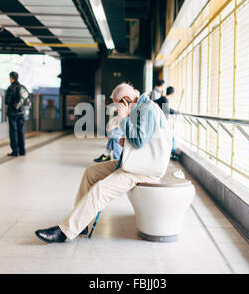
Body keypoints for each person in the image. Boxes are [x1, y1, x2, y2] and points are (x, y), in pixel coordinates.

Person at [35, 83, 168, 243]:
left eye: (116, 105)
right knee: (91, 172)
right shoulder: (139, 108)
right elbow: (142, 139)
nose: (115, 109)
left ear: (125, 100)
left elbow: (139, 141)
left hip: (144, 170)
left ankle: (66, 231)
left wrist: (124, 118)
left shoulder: (147, 109)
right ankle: (81, 224)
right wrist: (125, 140)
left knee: (100, 190)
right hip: (133, 164)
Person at [154, 86, 179, 160]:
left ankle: (172, 152)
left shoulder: (163, 99)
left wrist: (174, 111)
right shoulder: (165, 99)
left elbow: (166, 109)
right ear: (173, 94)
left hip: (158, 121)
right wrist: (175, 112)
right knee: (171, 135)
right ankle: (173, 152)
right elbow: (166, 110)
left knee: (170, 135)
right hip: (160, 122)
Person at [4, 71, 26, 157]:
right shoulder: (22, 87)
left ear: (11, 78)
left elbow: (7, 101)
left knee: (13, 132)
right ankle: (22, 150)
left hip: (13, 113)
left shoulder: (11, 88)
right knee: (21, 131)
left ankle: (15, 151)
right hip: (21, 113)